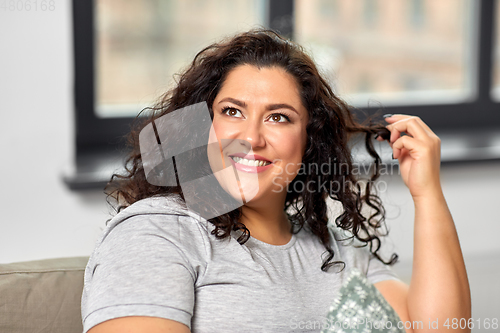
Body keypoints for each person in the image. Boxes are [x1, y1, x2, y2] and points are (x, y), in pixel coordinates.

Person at [81, 29, 471, 333]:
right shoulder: (159, 232)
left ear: (309, 140)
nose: (251, 137)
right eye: (232, 111)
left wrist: (428, 193)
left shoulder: (336, 252)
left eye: (279, 117)